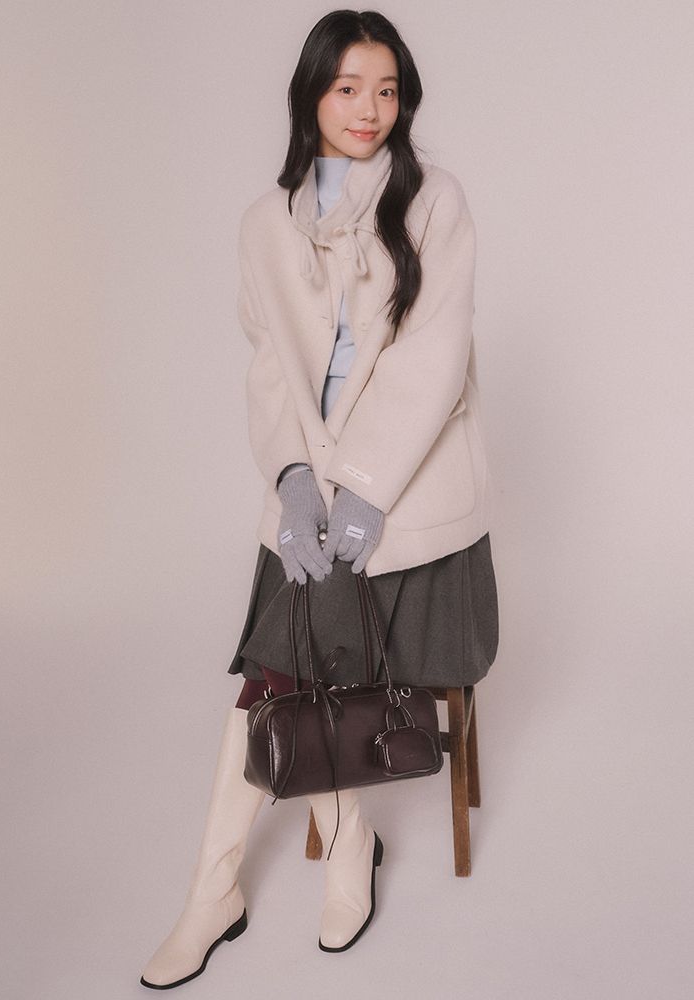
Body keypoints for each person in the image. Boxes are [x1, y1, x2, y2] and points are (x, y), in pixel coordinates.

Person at [140, 9, 499, 990]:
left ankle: (283, 873)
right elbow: (270, 368)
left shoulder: (435, 202)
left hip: (413, 506)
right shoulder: (266, 225)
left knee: (285, 663)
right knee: (287, 655)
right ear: (310, 95)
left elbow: (433, 362)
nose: (369, 108)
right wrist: (294, 479)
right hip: (316, 493)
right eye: (348, 88)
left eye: (386, 89)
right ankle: (242, 881)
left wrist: (364, 492)